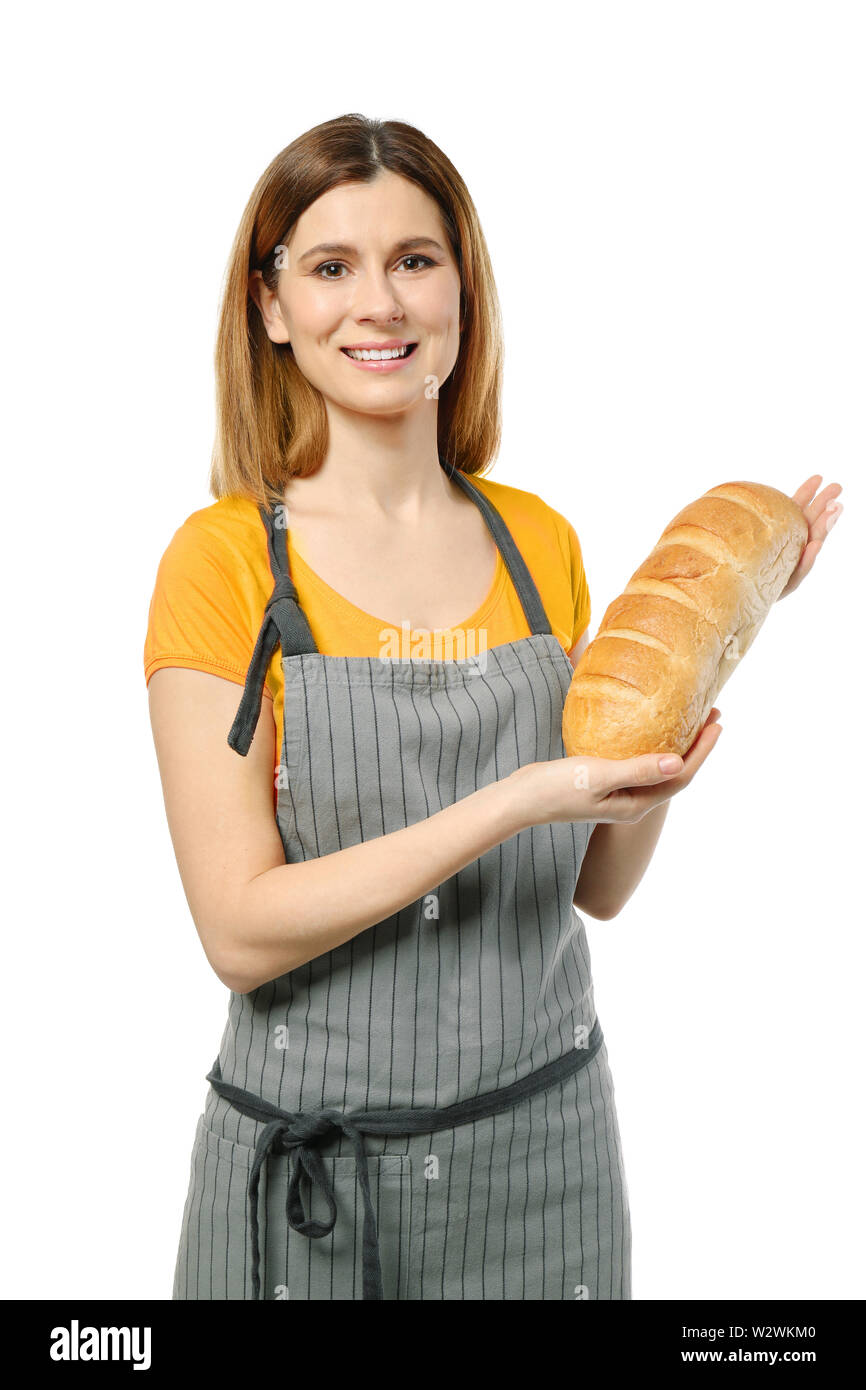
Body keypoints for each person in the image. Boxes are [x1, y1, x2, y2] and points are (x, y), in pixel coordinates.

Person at [144, 114, 841, 1301]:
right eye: (330, 267)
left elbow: (594, 888)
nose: (380, 303)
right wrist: (519, 797)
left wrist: (702, 670)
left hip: (542, 1170)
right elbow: (237, 929)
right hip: (314, 1188)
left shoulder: (538, 542)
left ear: (462, 289)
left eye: (415, 260)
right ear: (269, 307)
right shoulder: (221, 567)